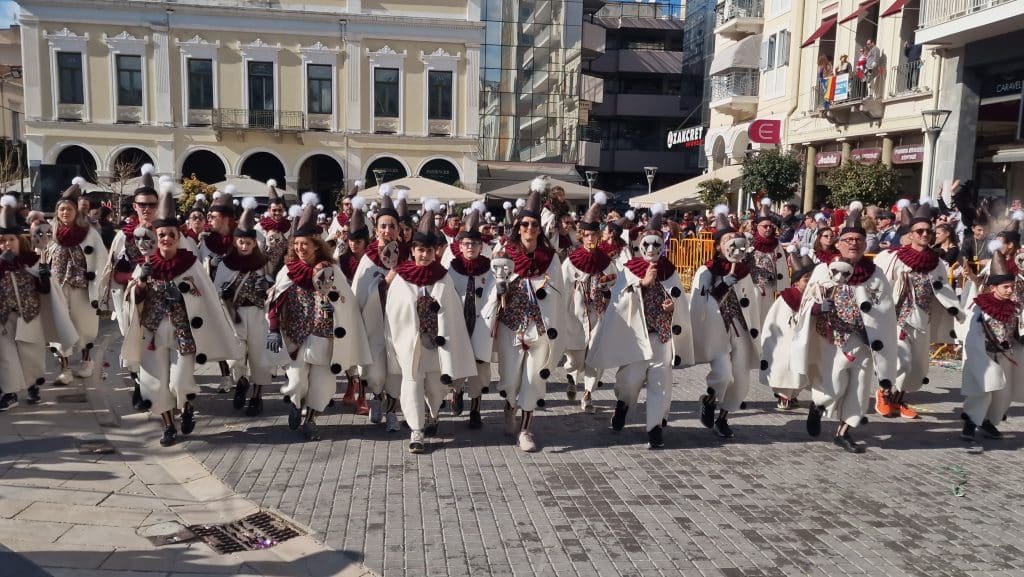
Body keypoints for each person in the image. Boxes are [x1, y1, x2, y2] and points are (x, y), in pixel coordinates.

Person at [121, 183, 240, 447]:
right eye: (161, 234)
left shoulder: (190, 264)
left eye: (170, 234)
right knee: (155, 384)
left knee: (180, 382)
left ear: (178, 236)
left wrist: (184, 293)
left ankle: (186, 406)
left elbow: (206, 297)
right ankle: (168, 426)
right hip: (152, 333)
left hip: (183, 333)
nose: (165, 239)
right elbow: (134, 299)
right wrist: (141, 284)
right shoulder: (146, 265)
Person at [792, 204, 897, 453]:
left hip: (864, 340)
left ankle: (844, 431)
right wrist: (819, 307)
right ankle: (818, 405)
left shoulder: (875, 274)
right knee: (834, 385)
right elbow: (808, 302)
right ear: (838, 244)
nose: (854, 244)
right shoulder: (824, 269)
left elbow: (886, 307)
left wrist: (875, 327)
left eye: (859, 240)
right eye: (848, 239)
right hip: (832, 339)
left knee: (860, 389)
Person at [588, 205, 694, 449]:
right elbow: (619, 300)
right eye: (647, 244)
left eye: (657, 244)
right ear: (639, 245)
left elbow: (679, 301)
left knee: (660, 383)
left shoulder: (670, 271)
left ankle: (654, 428)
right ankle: (623, 405)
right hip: (637, 337)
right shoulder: (630, 270)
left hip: (662, 337)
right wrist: (642, 285)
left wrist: (672, 308)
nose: (652, 249)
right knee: (630, 381)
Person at [265, 198, 371, 441]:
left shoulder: (332, 269)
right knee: (296, 380)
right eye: (297, 244)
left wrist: (333, 297)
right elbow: (276, 300)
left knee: (322, 384)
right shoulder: (288, 270)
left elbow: (346, 301)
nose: (300, 248)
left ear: (316, 245)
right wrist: (273, 328)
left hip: (324, 336)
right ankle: (295, 403)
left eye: (305, 244)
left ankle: (311, 420)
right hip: (296, 335)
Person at [482, 185, 567, 453]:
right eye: (525, 224)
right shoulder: (505, 255)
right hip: (511, 326)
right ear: (518, 228)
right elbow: (491, 290)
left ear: (540, 229)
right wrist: (500, 288)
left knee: (534, 379)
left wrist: (545, 291)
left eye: (534, 225)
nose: (530, 228)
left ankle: (526, 429)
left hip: (539, 328)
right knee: (509, 379)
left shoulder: (550, 258)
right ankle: (509, 407)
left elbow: (560, 292)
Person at [386, 200, 475, 453]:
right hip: (411, 343)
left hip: (436, 344)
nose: (424, 255)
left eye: (428, 251)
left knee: (436, 386)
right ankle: (416, 430)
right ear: (413, 250)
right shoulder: (402, 278)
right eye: (419, 250)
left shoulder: (443, 278)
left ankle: (433, 412)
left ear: (435, 251)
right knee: (412, 383)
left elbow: (453, 313)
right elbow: (393, 312)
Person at [873, 202, 963, 419]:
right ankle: (884, 393)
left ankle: (898, 401)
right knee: (901, 361)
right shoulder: (894, 258)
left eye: (928, 231)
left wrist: (960, 313)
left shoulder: (936, 262)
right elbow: (879, 284)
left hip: (923, 318)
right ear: (910, 234)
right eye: (919, 231)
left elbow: (944, 290)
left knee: (917, 366)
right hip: (898, 318)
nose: (924, 234)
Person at [689, 205, 762, 439]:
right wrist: (722, 285)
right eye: (726, 240)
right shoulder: (707, 270)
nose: (732, 243)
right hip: (717, 328)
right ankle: (709, 399)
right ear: (718, 246)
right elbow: (700, 301)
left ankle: (723, 417)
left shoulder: (743, 271)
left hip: (739, 328)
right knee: (723, 375)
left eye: (734, 239)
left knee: (740, 379)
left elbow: (750, 301)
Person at [0, 195, 77, 410]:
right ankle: (10, 393)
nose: (7, 244)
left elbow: (45, 291)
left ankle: (33, 385)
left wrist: (44, 277)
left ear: (19, 241)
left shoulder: (31, 261)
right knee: (6, 357)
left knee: (31, 355)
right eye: (2, 241)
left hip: (29, 316)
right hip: (4, 319)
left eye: (11, 240)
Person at [351, 184, 408, 431]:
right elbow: (359, 294)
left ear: (398, 229)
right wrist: (384, 283)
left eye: (392, 226)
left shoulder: (408, 256)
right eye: (383, 226)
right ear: (376, 230)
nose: (387, 230)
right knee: (375, 372)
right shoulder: (368, 259)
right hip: (374, 325)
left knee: (396, 370)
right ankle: (376, 397)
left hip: (399, 325)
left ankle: (392, 411)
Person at [214, 197, 275, 416]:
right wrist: (224, 294)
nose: (245, 246)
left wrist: (267, 287)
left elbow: (273, 288)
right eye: (241, 242)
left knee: (260, 358)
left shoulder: (263, 263)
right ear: (235, 242)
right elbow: (216, 290)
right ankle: (240, 381)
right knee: (234, 356)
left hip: (258, 314)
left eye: (248, 242)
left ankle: (257, 397)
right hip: (234, 314)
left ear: (254, 243)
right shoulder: (226, 264)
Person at [47, 179, 109, 385]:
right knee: (59, 328)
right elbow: (41, 255)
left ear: (76, 211)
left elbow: (102, 260)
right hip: (58, 287)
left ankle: (87, 361)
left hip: (82, 288)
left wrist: (99, 286)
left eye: (69, 209)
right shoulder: (51, 232)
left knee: (85, 328)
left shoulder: (89, 233)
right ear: (57, 212)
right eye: (62, 209)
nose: (65, 212)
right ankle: (65, 368)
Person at [959, 249, 1022, 441]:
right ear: (993, 287)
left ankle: (988, 422)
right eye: (1006, 287)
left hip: (1005, 356)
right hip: (983, 356)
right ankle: (970, 423)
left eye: (1012, 287)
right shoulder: (981, 307)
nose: (1010, 290)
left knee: (1002, 394)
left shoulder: (1014, 308)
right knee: (982, 391)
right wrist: (978, 357)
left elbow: (1014, 331)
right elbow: (973, 334)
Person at [562, 192, 617, 412]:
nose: (591, 239)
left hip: (599, 312)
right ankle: (570, 375)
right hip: (575, 312)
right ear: (581, 236)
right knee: (575, 356)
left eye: (594, 235)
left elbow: (615, 283)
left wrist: (607, 286)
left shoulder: (606, 261)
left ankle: (588, 394)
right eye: (587, 235)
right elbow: (563, 287)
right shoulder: (572, 261)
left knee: (595, 354)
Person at [445, 203, 495, 427]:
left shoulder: (489, 269)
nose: (471, 247)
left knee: (480, 369)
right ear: (460, 246)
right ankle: (456, 392)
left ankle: (476, 408)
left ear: (481, 246)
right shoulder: (452, 269)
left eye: (475, 243)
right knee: (457, 364)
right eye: (466, 243)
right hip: (459, 325)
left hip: (481, 325)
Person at [760, 247, 816, 409]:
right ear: (796, 282)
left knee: (804, 368)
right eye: (806, 280)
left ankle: (793, 395)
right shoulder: (788, 298)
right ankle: (784, 395)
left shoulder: (812, 297)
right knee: (787, 367)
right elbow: (783, 322)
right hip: (788, 341)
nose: (809, 284)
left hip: (805, 340)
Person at [199, 189, 239, 394]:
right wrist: (209, 264)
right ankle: (226, 376)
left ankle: (241, 374)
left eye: (213, 216)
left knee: (239, 337)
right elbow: (198, 267)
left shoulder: (240, 238)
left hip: (238, 298)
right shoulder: (206, 242)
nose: (209, 219)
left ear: (225, 218)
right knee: (219, 336)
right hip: (214, 296)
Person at [750, 198, 790, 326]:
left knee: (766, 318)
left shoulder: (776, 244)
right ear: (757, 227)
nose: (768, 229)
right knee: (752, 318)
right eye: (765, 226)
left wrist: (783, 289)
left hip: (769, 288)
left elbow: (782, 267)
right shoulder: (749, 242)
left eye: (770, 226)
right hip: (752, 287)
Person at [256, 180, 292, 276]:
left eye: (280, 210)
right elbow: (257, 250)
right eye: (274, 210)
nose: (277, 213)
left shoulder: (290, 226)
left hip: (284, 267)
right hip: (265, 267)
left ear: (283, 210)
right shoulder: (259, 227)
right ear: (269, 210)